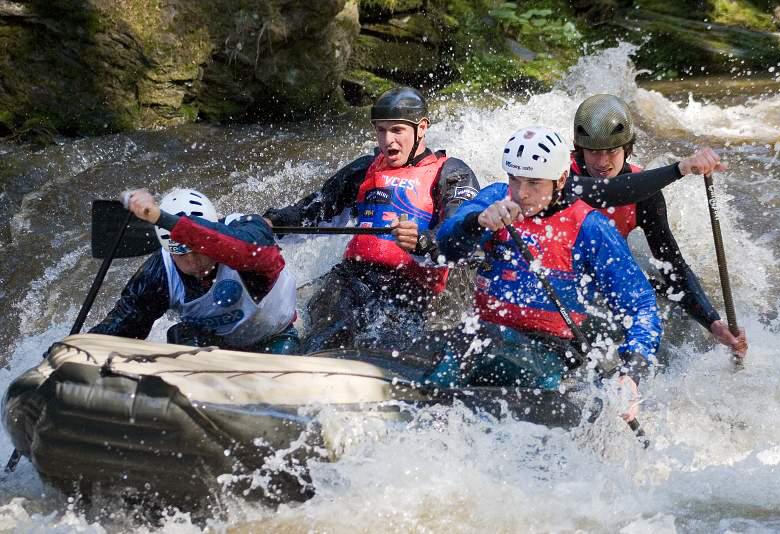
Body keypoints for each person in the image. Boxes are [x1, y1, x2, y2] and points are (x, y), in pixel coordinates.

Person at [432, 126, 663, 423]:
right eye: (514, 179)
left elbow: (641, 306)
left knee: (478, 343)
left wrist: (632, 374)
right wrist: (475, 223)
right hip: (481, 339)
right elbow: (445, 249)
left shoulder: (590, 227)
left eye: (533, 183)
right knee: (448, 342)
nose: (520, 193)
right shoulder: (494, 200)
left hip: (550, 355)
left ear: (560, 180)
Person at [265, 86, 480, 353]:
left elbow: (462, 235)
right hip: (351, 279)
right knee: (328, 335)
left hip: (410, 290)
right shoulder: (363, 169)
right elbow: (312, 213)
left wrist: (424, 241)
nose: (388, 140)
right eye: (381, 130)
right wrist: (270, 224)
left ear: (421, 128)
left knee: (382, 346)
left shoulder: (451, 173)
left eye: (397, 130)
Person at [570, 94, 748, 357]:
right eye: (594, 151)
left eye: (612, 151)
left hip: (604, 276)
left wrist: (713, 322)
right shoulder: (558, 181)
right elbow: (607, 193)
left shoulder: (646, 193)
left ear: (627, 149)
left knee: (660, 289)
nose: (602, 162)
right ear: (580, 150)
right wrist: (681, 168)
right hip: (562, 275)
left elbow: (672, 265)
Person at [90, 188, 300, 354]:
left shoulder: (248, 238)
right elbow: (122, 327)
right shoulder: (159, 273)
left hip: (274, 338)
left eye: (197, 250)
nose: (192, 262)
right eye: (180, 254)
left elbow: (239, 247)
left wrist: (158, 217)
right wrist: (77, 350)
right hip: (218, 346)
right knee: (182, 336)